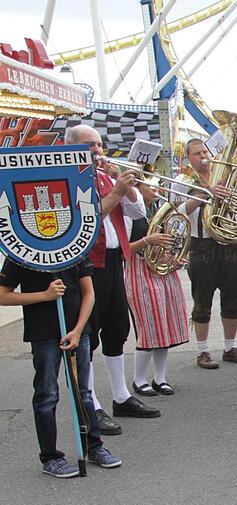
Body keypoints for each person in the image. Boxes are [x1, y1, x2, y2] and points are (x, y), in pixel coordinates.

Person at [64, 125, 160, 436]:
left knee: (117, 329)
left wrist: (129, 186)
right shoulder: (70, 179)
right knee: (88, 335)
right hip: (88, 265)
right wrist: (117, 191)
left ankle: (120, 396)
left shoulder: (105, 175)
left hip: (115, 262)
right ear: (72, 148)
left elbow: (135, 211)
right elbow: (86, 219)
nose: (98, 150)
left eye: (99, 144)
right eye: (90, 145)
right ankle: (90, 405)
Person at [0, 255, 122, 476]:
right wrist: (44, 295)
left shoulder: (75, 250)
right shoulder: (22, 254)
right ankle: (50, 457)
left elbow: (89, 293)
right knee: (47, 394)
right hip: (43, 333)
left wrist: (78, 330)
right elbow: (3, 295)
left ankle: (94, 447)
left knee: (83, 392)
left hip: (78, 331)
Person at [174, 138, 237, 370]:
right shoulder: (183, 181)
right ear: (189, 158)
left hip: (231, 243)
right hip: (202, 244)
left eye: (205, 152)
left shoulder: (226, 176)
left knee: (233, 299)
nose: (203, 157)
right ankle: (202, 351)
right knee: (202, 300)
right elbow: (178, 212)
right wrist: (206, 193)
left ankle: (230, 347)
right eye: (197, 154)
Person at [124, 182, 189, 397]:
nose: (156, 190)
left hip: (162, 270)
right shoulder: (130, 213)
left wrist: (176, 259)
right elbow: (122, 250)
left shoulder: (161, 210)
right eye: (150, 186)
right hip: (138, 270)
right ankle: (138, 379)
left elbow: (170, 243)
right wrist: (147, 240)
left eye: (157, 187)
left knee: (165, 325)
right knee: (149, 326)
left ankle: (160, 377)